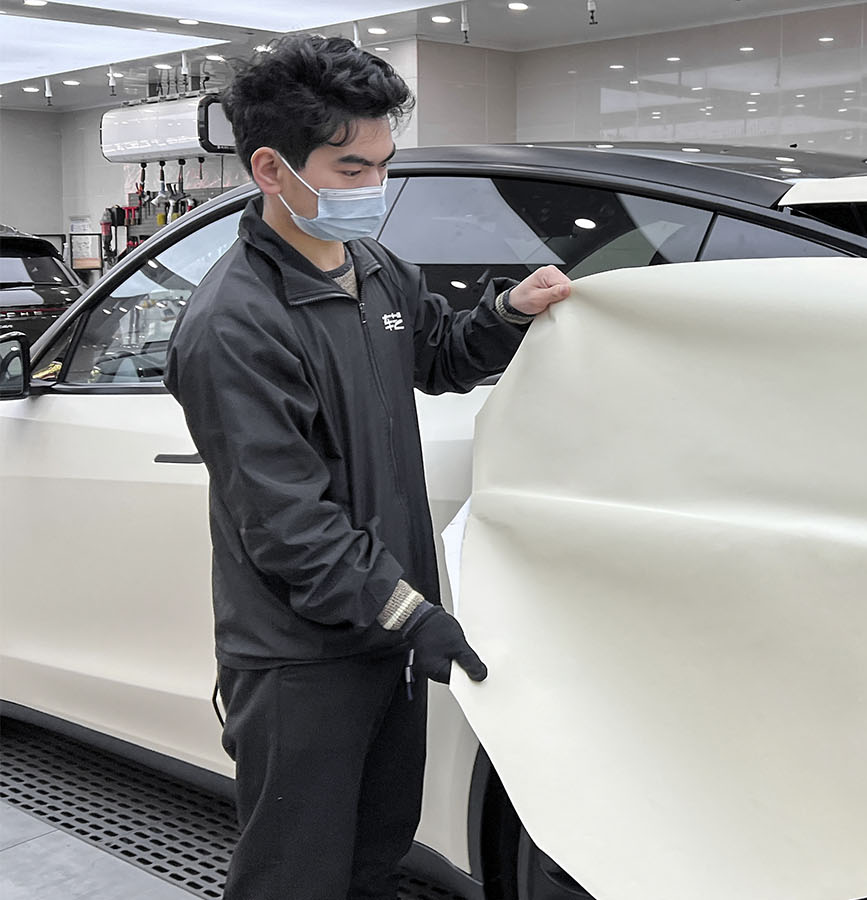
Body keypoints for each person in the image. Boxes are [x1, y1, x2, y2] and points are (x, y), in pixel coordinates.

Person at [164, 35, 572, 899]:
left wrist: (508, 312)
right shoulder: (234, 324)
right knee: (295, 877)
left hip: (384, 636)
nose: (374, 189)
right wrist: (410, 614)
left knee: (373, 856)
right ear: (271, 169)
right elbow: (288, 526)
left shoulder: (374, 271)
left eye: (384, 166)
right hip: (301, 661)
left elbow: (439, 353)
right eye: (352, 170)